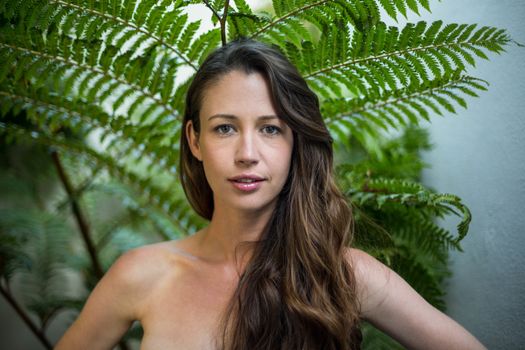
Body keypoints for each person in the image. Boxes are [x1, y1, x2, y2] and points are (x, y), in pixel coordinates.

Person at [55, 38, 486, 350]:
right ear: (194, 140)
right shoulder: (140, 274)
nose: (247, 154)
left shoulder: (342, 274)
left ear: (295, 141)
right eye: (225, 128)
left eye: (270, 129)